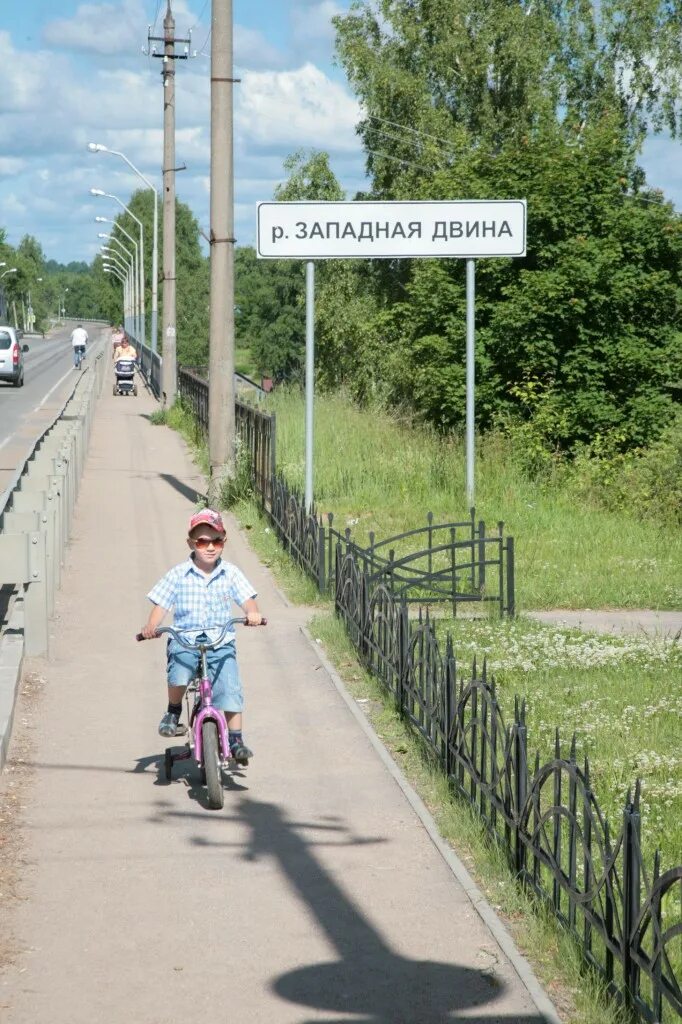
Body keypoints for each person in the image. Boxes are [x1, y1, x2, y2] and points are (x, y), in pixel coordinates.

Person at [140, 509, 262, 764]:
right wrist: (151, 625)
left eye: (215, 541)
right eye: (202, 542)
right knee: (180, 672)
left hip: (220, 641)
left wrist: (253, 613)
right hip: (186, 639)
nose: (209, 547)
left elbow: (247, 600)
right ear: (191, 544)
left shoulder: (231, 573)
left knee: (229, 687)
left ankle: (236, 739)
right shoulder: (178, 574)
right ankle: (173, 711)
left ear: (223, 543)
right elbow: (161, 605)